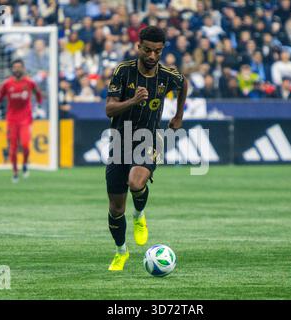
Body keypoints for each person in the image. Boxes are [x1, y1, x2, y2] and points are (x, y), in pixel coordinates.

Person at [105, 26, 187, 271]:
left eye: (158, 51)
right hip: (120, 141)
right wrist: (132, 101)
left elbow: (184, 84)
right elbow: (109, 109)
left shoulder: (167, 75)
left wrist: (179, 114)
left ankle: (139, 215)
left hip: (149, 139)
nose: (152, 56)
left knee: (136, 182)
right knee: (115, 207)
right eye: (148, 50)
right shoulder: (123, 71)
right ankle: (121, 252)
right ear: (139, 46)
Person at [0, 59, 43, 183]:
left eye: (19, 67)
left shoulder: (30, 83)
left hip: (25, 118)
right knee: (12, 148)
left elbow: (38, 94)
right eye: (15, 67)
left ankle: (24, 164)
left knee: (25, 145)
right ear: (12, 69)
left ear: (23, 68)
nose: (17, 69)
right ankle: (14, 172)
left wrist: (39, 105)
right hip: (12, 119)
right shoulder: (7, 84)